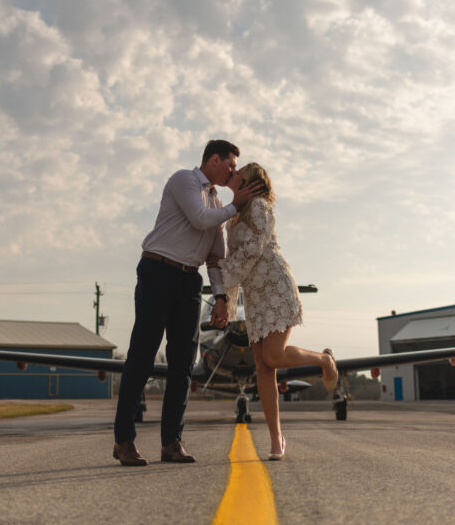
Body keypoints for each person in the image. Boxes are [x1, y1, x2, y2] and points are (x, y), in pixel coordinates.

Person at [112, 140, 263, 467]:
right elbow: (198, 219)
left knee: (182, 364)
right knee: (143, 356)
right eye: (231, 165)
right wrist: (235, 206)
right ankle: (124, 440)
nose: (233, 172)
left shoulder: (218, 202)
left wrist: (221, 297)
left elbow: (215, 258)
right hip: (158, 270)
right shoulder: (184, 180)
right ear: (213, 159)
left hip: (188, 281)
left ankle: (171, 443)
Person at [218, 163, 338, 461]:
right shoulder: (232, 216)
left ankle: (324, 359)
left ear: (252, 183)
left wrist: (223, 274)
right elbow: (230, 254)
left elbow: (253, 250)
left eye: (238, 172)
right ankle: (276, 439)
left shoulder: (259, 206)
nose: (232, 173)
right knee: (263, 367)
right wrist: (226, 298)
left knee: (273, 355)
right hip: (255, 296)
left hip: (275, 286)